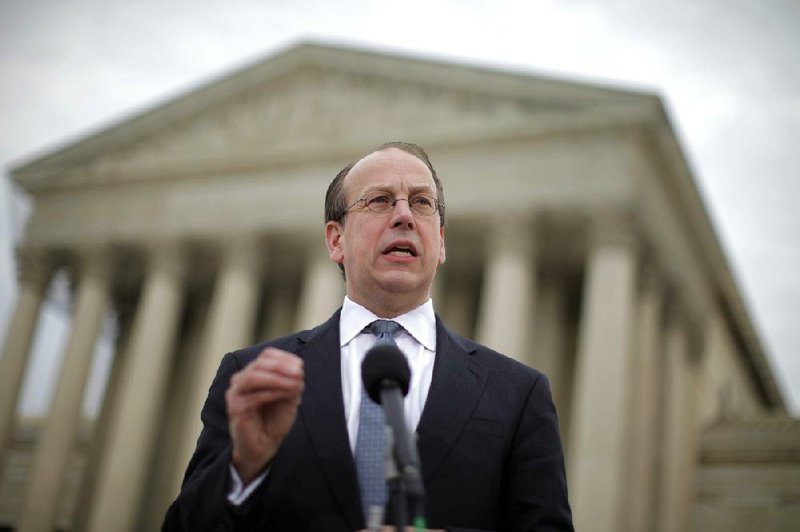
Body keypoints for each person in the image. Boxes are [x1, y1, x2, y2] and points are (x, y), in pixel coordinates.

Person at [162, 142, 573, 531]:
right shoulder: (252, 377)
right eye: (379, 200)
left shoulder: (518, 393)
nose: (404, 216)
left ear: (441, 242)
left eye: (421, 202)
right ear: (336, 240)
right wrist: (242, 466)